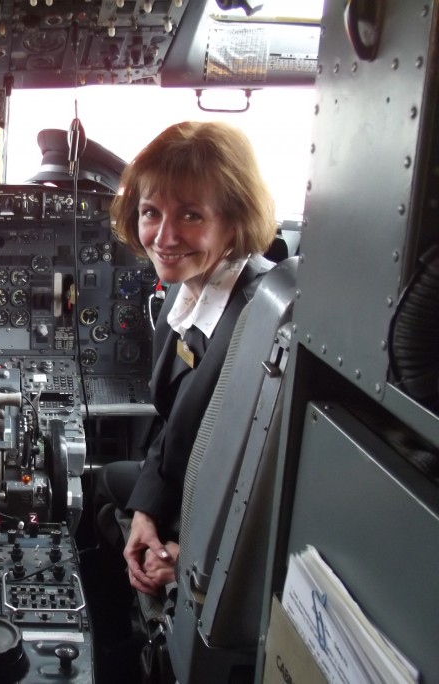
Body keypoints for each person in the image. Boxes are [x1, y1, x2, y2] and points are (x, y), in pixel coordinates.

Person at [102, 121, 277, 596]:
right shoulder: (182, 297)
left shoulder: (261, 321)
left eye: (192, 216)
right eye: (151, 212)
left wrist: (194, 556)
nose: (164, 236)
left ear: (235, 220)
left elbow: (264, 474)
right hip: (187, 486)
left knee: (101, 488)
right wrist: (147, 511)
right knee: (108, 489)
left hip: (225, 521)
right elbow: (175, 420)